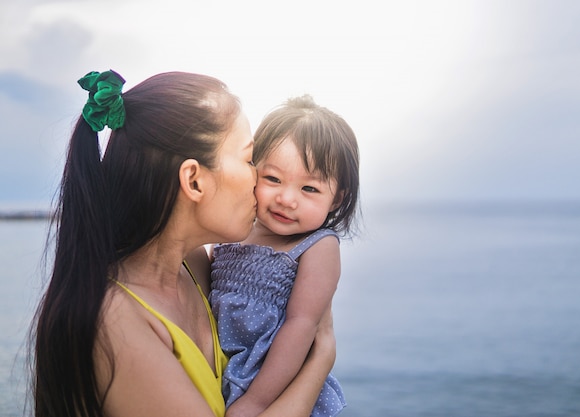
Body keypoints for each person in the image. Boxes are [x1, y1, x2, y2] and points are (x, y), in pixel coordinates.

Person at [30, 70, 338, 417]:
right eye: (250, 159)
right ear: (194, 180)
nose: (259, 179)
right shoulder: (116, 323)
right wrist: (320, 359)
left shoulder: (195, 268)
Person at [209, 95, 360, 417]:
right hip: (219, 367)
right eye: (273, 179)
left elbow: (301, 326)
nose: (287, 199)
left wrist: (257, 402)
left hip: (270, 380)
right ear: (252, 172)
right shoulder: (232, 231)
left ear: (336, 199)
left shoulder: (317, 246)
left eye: (310, 189)